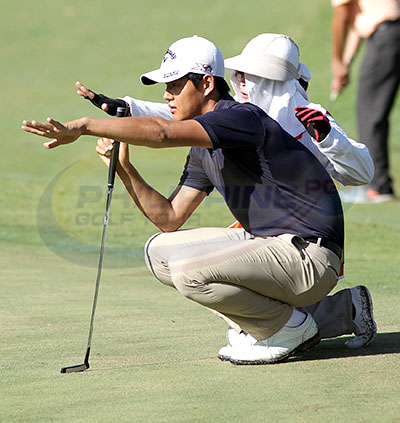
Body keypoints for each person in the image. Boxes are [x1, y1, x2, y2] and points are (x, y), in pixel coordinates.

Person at [23, 35, 346, 365]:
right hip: (271, 246)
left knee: (187, 269)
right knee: (160, 252)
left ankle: (288, 328)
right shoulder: (203, 145)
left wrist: (84, 126)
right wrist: (124, 170)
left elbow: (162, 133)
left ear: (207, 84)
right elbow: (170, 217)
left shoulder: (241, 118)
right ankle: (279, 324)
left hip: (310, 256)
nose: (167, 95)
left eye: (176, 85)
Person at [331, 0, 400, 202]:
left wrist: (336, 60)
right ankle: (380, 184)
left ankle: (378, 186)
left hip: (385, 36)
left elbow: (341, 16)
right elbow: (359, 24)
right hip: (391, 33)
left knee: (369, 112)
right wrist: (346, 63)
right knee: (376, 109)